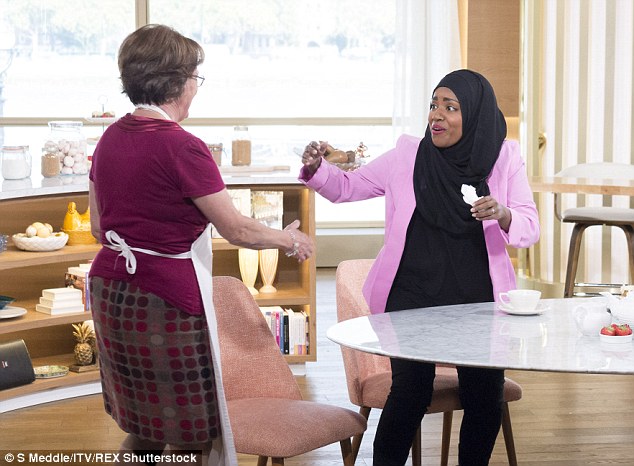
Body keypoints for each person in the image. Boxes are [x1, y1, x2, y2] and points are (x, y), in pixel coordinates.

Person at [88, 24, 314, 466]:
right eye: (195, 76)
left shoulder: (111, 136)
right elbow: (237, 230)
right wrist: (288, 238)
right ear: (176, 82)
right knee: (189, 433)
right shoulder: (184, 148)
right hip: (166, 301)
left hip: (112, 294)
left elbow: (99, 227)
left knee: (144, 428)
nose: (196, 86)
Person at [300, 69, 539, 466]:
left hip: (476, 299)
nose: (437, 115)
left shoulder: (504, 158)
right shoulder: (407, 155)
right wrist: (317, 170)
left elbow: (530, 225)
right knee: (410, 391)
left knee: (484, 395)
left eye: (451, 106)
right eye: (433, 104)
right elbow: (348, 187)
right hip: (412, 293)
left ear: (475, 113)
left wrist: (503, 213)